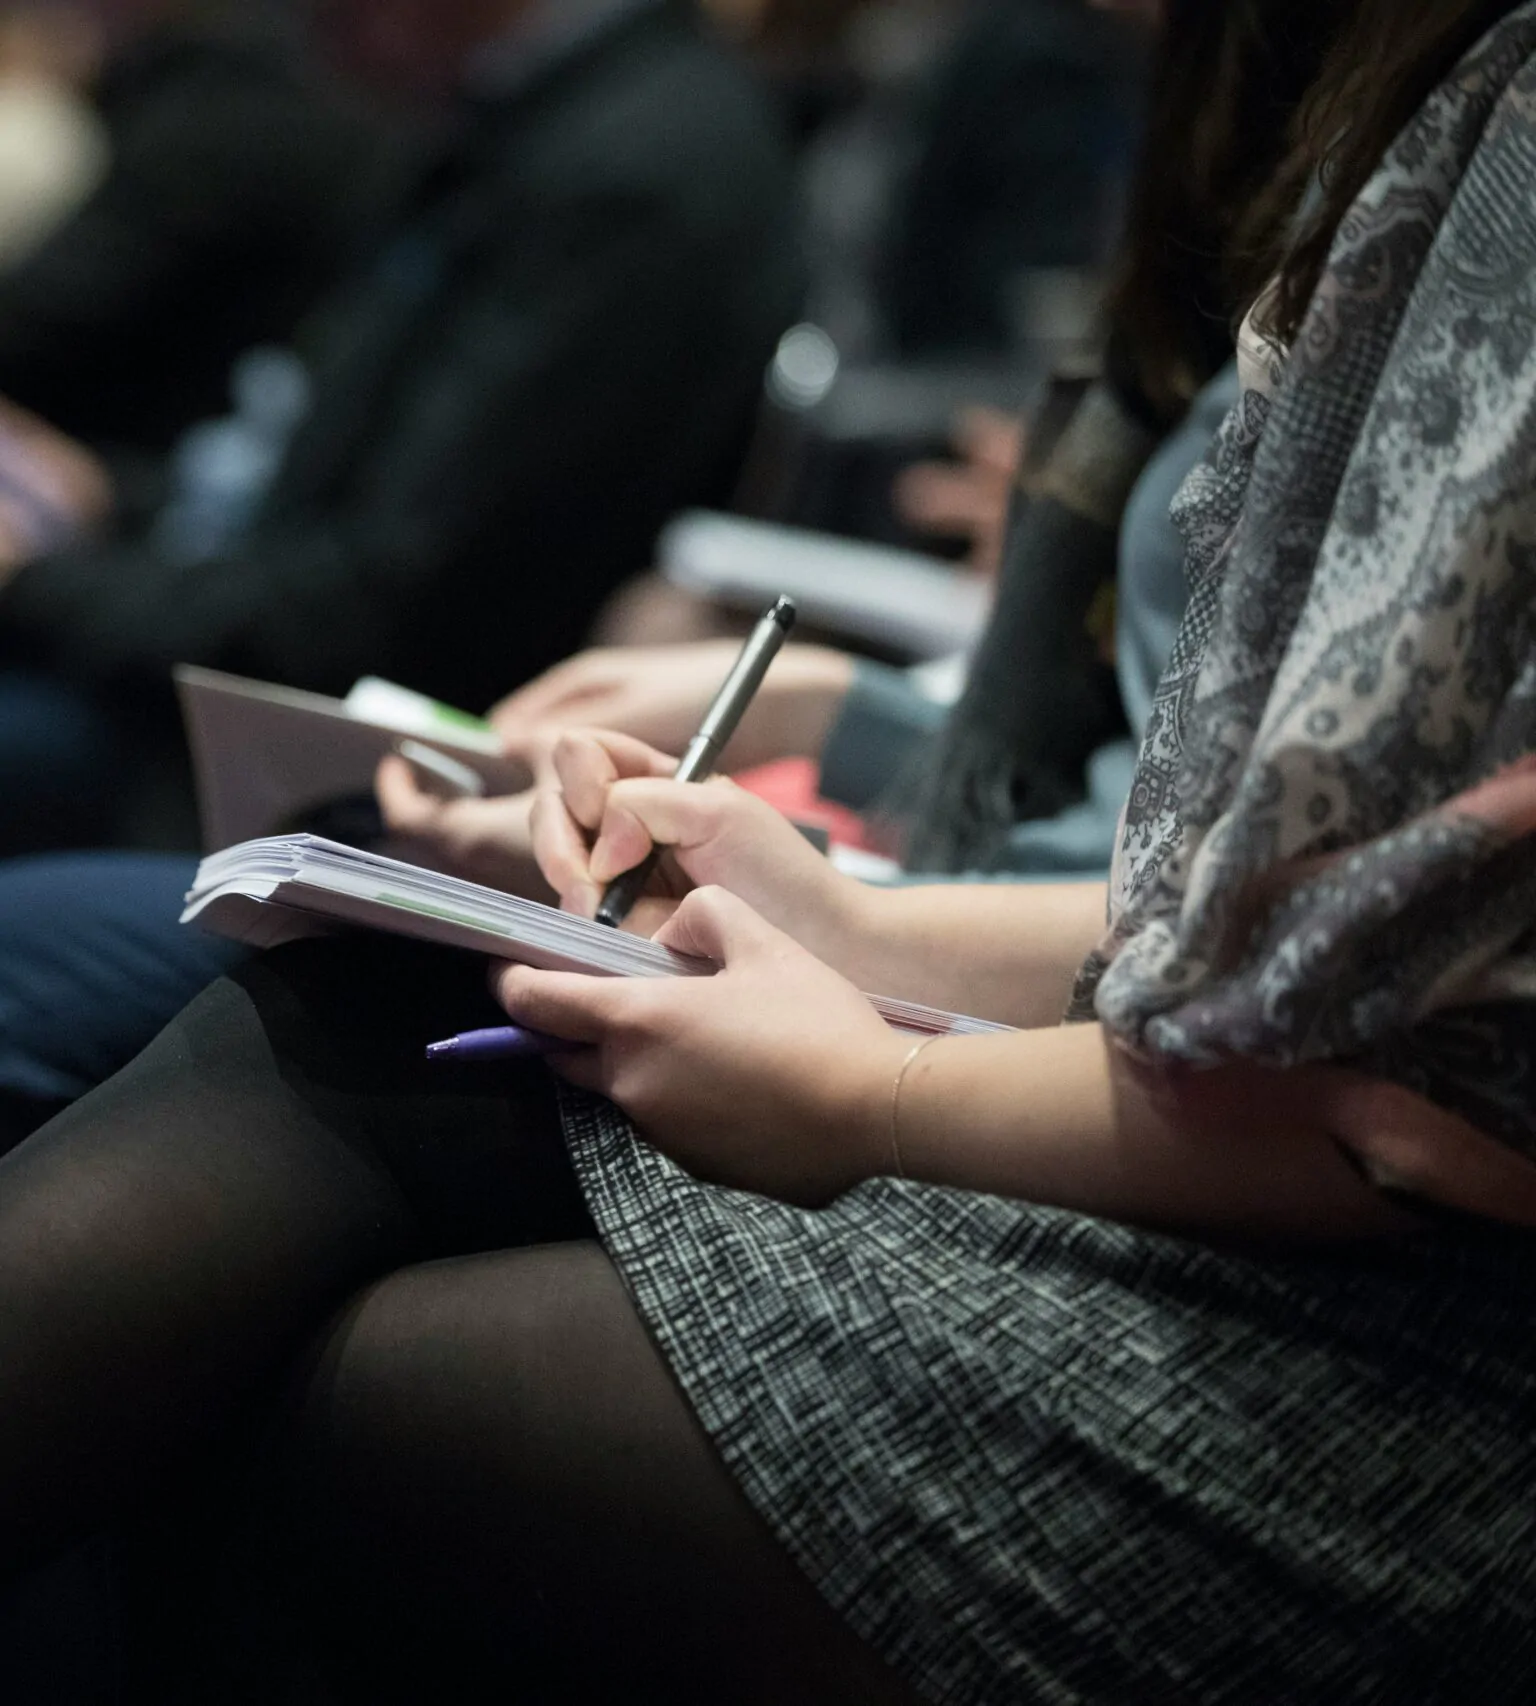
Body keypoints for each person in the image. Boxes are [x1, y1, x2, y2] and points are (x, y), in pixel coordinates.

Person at [4, 4, 1536, 1703]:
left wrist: (872, 1070)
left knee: (305, 1375)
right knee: (315, 1014)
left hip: (1406, 1356)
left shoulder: (1477, 115)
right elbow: (1242, 906)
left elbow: (1418, 1091)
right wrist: (837, 907)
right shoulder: (1338, 100)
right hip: (1131, 1039)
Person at [0, 0, 1306, 1142]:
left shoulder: (632, 154)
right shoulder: (1231, 200)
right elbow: (1101, 792)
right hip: (955, 930)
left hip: (986, 1004)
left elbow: (1236, 960)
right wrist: (814, 710)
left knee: (170, 1014)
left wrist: (839, 950)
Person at [0, 0, 800, 854]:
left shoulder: (631, 171)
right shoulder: (562, 108)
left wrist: (39, 582)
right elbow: (306, 482)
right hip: (235, 683)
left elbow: (381, 614)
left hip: (334, 787)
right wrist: (105, 497)